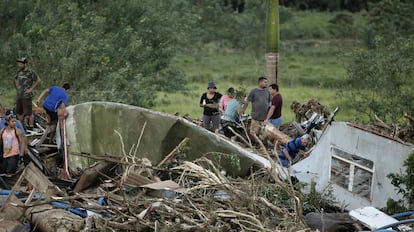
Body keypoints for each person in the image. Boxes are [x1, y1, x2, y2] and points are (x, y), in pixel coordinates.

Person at [15, 57, 41, 130]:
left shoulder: (30, 72)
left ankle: (31, 127)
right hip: (19, 95)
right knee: (19, 111)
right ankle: (20, 126)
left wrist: (31, 89)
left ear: (25, 64)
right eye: (19, 64)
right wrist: (18, 88)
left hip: (27, 96)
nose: (19, 65)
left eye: (21, 64)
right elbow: (16, 79)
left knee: (29, 112)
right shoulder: (19, 71)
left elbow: (38, 81)